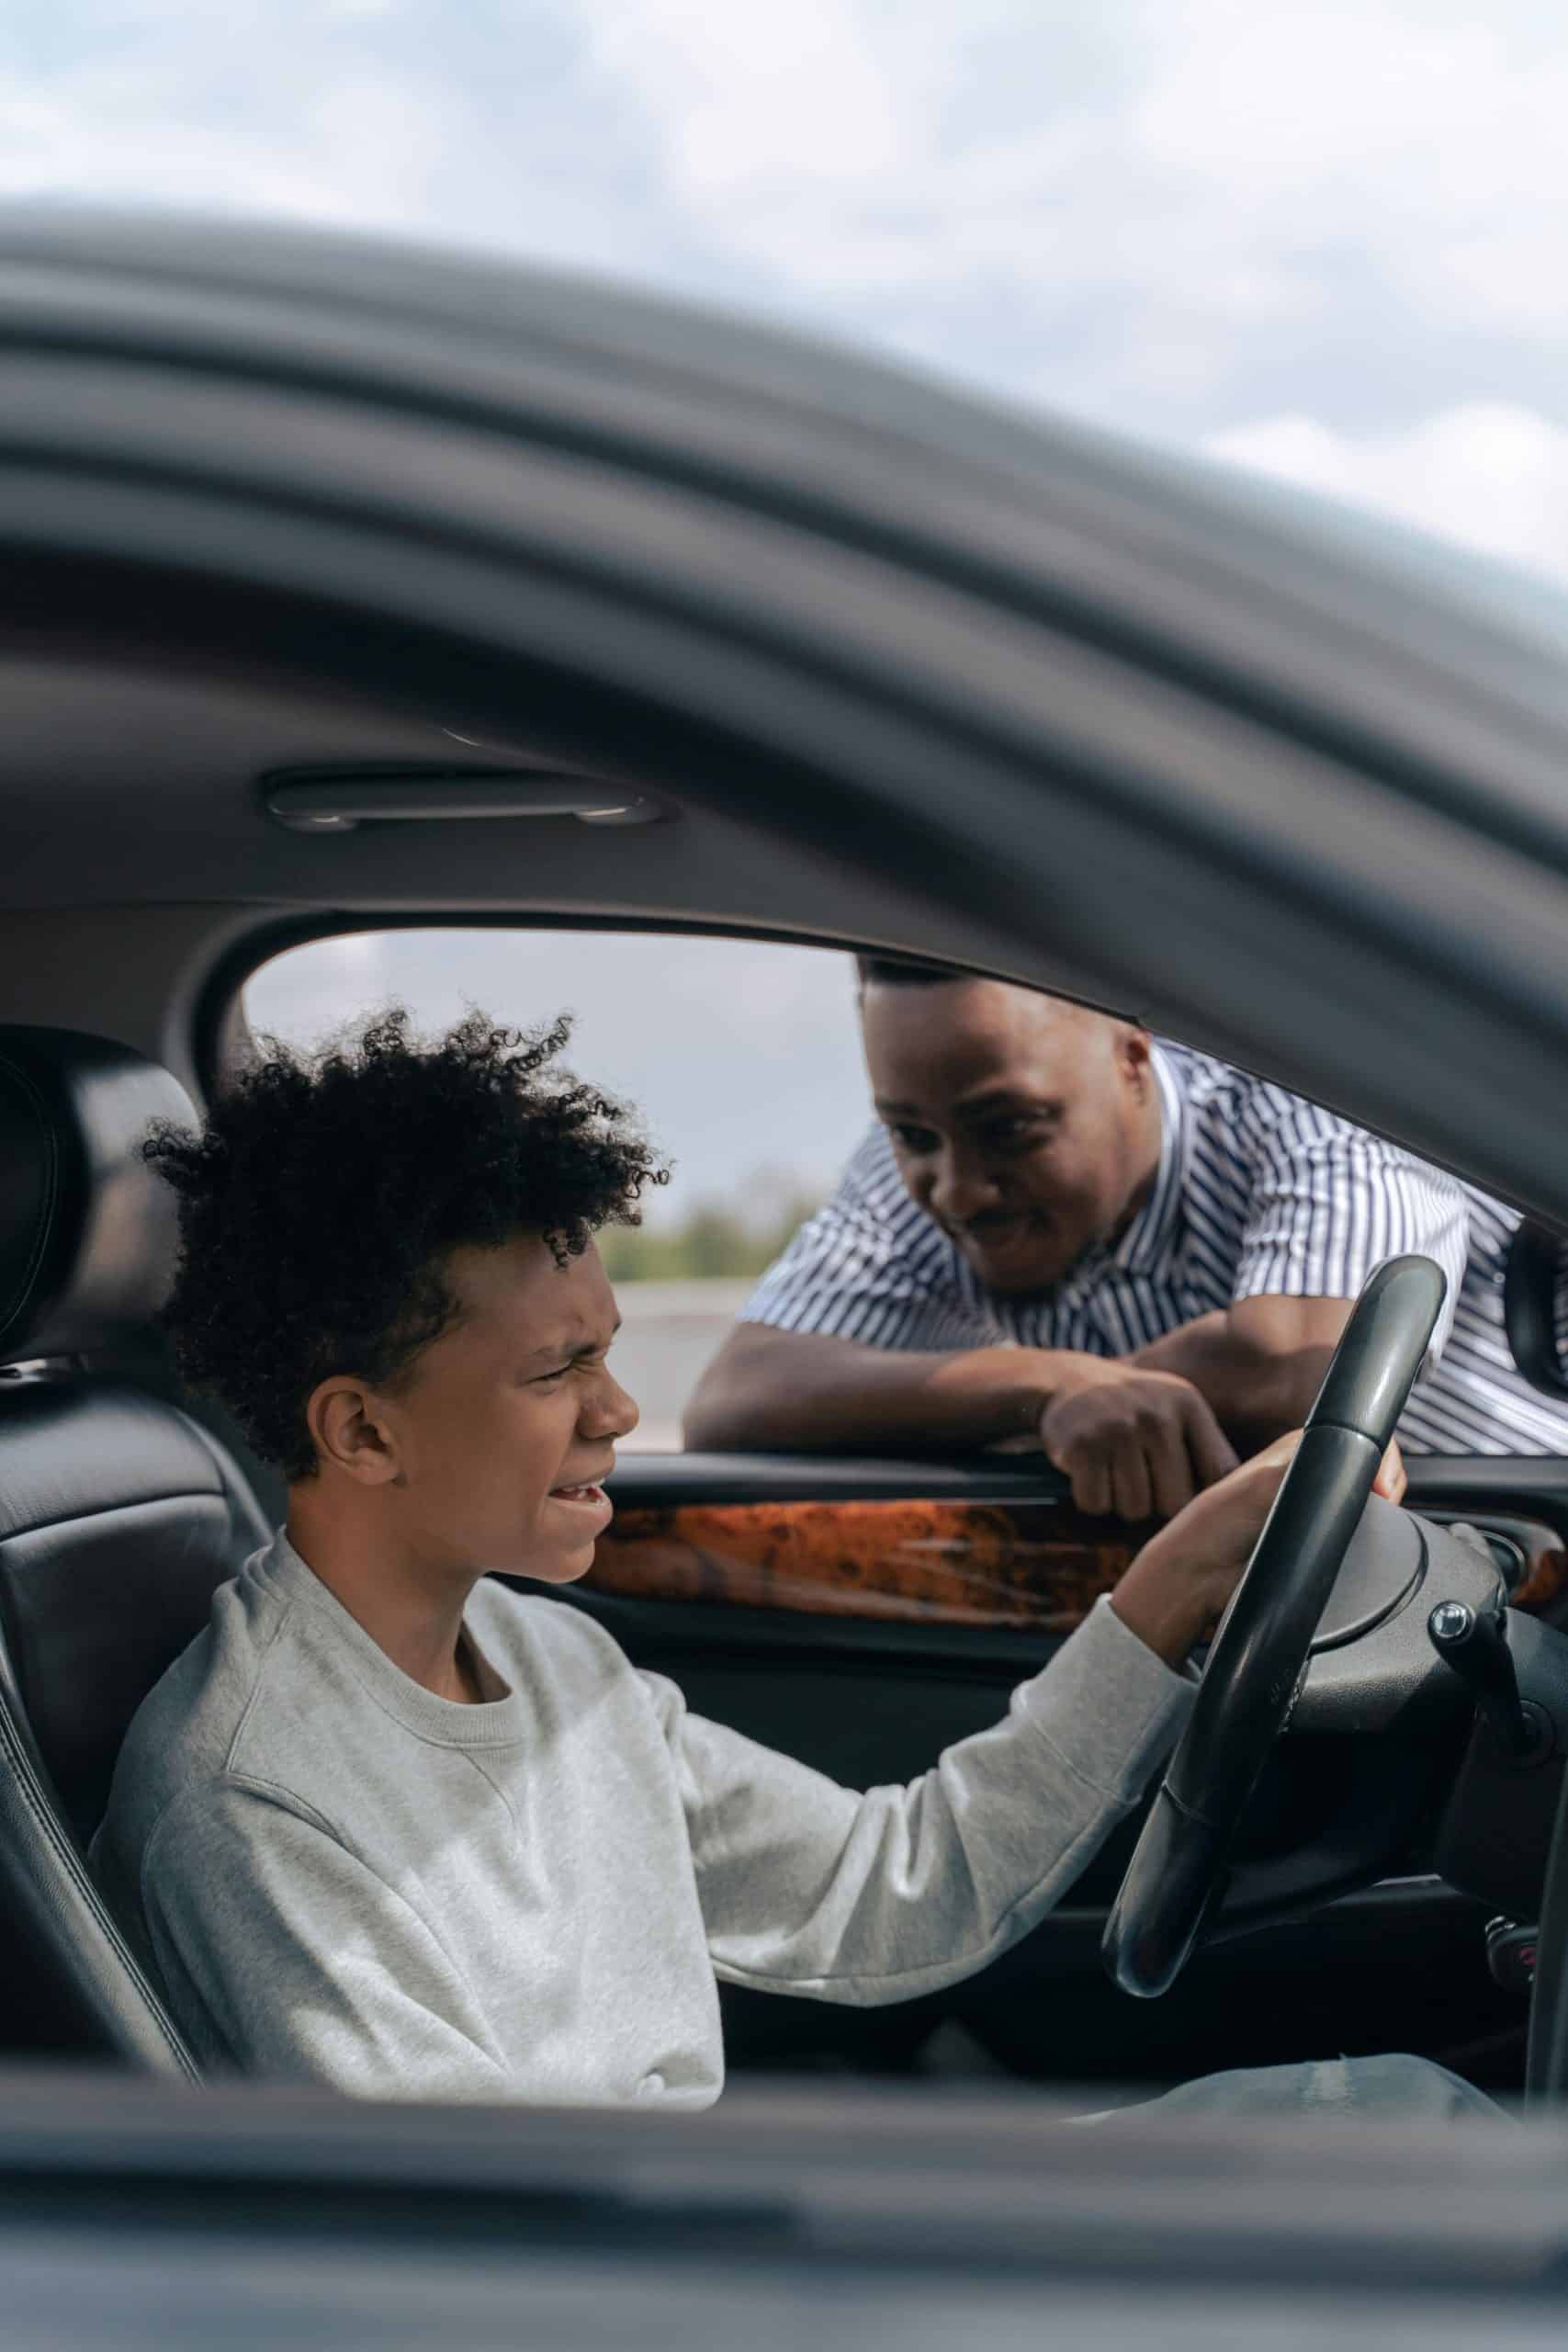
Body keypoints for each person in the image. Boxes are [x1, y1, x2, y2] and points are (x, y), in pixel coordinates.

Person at [88, 1005, 1472, 2120]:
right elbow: (468, 2265)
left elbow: (889, 1897)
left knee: (1397, 2119)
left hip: (704, 2254)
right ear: (361, 1429)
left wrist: (1164, 1591)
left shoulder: (543, 1656)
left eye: (609, 1349)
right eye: (557, 1370)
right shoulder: (252, 1803)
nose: (619, 1411)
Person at [685, 963, 1568, 1517]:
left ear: (1134, 1060)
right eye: (912, 1135)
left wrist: (1085, 1396)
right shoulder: (916, 1164)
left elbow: (1302, 1370)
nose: (955, 1187)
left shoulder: (1314, 1097)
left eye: (1013, 1127)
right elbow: (733, 1401)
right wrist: (1044, 1387)